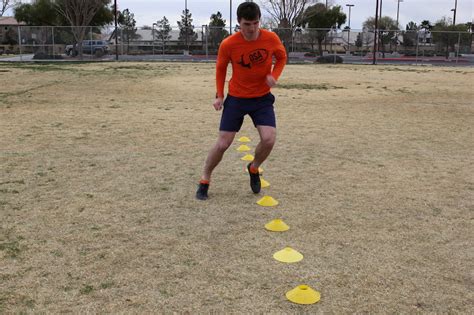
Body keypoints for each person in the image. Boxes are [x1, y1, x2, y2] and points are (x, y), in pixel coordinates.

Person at [196, 1, 287, 200]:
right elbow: (220, 69)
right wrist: (219, 95)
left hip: (262, 98)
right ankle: (205, 178)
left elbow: (282, 57)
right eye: (247, 24)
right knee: (223, 143)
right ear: (239, 22)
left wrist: (275, 75)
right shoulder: (229, 43)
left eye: (255, 23)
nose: (252, 28)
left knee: (269, 138)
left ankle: (254, 168)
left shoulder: (271, 38)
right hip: (237, 98)